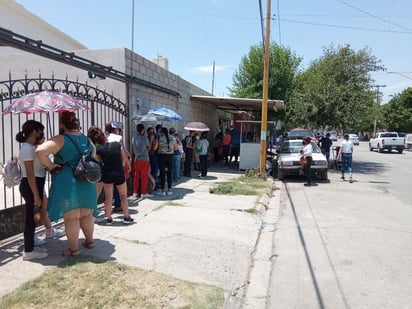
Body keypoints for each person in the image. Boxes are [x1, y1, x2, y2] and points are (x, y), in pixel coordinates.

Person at [36, 111, 97, 257]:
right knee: (87, 214)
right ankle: (90, 242)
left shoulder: (60, 139)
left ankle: (73, 250)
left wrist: (50, 166)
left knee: (71, 217)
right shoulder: (86, 139)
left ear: (62, 124)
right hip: (86, 180)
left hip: (68, 181)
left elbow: (40, 151)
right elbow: (93, 153)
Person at [88, 126, 134, 225]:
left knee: (108, 196)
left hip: (106, 173)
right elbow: (125, 157)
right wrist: (129, 167)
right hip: (119, 172)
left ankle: (109, 218)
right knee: (123, 196)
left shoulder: (99, 148)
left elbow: (93, 157)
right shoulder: (117, 145)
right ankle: (126, 217)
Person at [16, 120, 48, 260]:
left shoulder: (31, 147)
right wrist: (36, 195)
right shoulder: (27, 148)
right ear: (34, 131)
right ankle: (28, 251)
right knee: (30, 218)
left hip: (34, 184)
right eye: (40, 130)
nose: (41, 133)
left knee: (33, 217)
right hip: (31, 185)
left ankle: (31, 245)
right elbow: (29, 174)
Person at [131, 123, 153, 198]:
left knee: (136, 176)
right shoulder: (145, 138)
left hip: (136, 159)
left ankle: (135, 192)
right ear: (143, 129)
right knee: (144, 176)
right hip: (144, 159)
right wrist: (151, 139)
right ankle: (143, 192)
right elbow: (149, 147)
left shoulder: (134, 138)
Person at [157, 127, 177, 196]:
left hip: (161, 156)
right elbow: (176, 147)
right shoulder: (173, 138)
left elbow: (156, 147)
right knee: (169, 172)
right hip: (170, 156)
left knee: (162, 173)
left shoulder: (159, 138)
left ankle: (162, 190)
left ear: (161, 132)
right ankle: (169, 189)